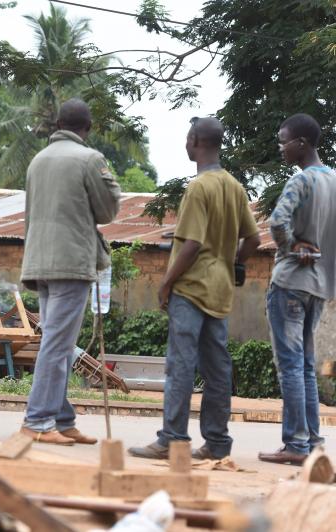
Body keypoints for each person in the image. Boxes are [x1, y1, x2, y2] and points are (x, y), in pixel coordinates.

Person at [129, 117, 260, 460]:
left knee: (181, 365)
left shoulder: (198, 187)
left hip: (190, 290)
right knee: (217, 369)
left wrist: (167, 282)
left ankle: (172, 438)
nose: (186, 145)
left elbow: (192, 244)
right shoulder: (234, 186)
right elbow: (254, 239)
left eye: (187, 140)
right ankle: (217, 442)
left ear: (194, 140)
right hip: (219, 291)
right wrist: (234, 265)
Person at [19, 98, 121, 445]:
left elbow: (30, 213)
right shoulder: (89, 159)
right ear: (86, 129)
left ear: (57, 124)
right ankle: (38, 422)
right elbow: (108, 211)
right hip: (71, 264)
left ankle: (62, 419)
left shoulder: (38, 160)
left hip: (39, 262)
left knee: (59, 343)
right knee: (56, 343)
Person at [258, 113, 336, 465]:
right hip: (320, 286)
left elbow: (277, 222)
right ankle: (313, 442)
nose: (280, 147)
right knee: (304, 365)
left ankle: (295, 444)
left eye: (283, 140)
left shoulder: (301, 181)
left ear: (301, 143)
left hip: (291, 282)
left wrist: (292, 247)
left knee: (290, 365)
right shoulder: (334, 180)